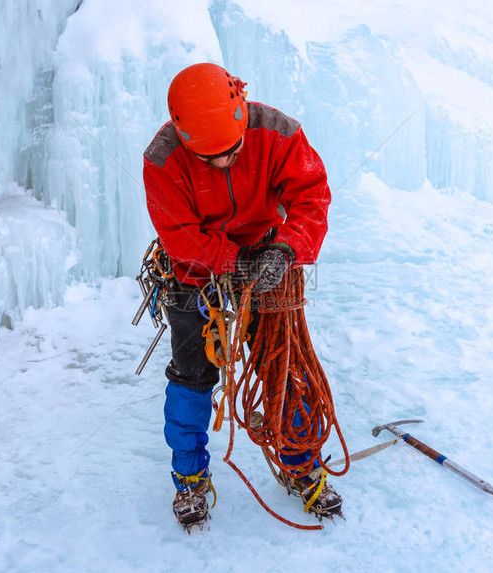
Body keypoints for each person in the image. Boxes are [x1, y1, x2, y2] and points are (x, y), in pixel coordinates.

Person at [142, 62, 338, 529]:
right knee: (192, 372)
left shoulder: (279, 133)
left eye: (232, 151)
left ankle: (300, 464)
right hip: (193, 269)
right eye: (212, 159)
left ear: (242, 116)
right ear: (183, 136)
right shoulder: (164, 158)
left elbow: (312, 198)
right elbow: (179, 234)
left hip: (269, 254)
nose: (225, 162)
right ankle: (189, 479)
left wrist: (286, 250)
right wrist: (232, 262)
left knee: (283, 366)